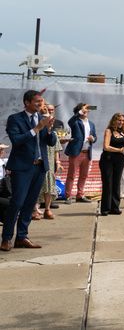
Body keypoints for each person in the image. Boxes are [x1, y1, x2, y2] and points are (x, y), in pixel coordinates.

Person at [2, 90, 57, 251]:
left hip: (39, 167)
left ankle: (22, 237)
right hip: (21, 168)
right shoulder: (15, 119)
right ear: (27, 102)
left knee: (29, 204)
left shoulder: (42, 118)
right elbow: (16, 141)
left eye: (42, 102)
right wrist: (36, 129)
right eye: (37, 102)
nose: (41, 105)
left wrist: (49, 128)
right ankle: (6, 238)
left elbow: (52, 142)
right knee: (17, 202)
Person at [33, 100, 62, 221]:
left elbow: (54, 145)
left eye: (51, 110)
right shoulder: (37, 122)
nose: (49, 112)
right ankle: (34, 209)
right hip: (36, 159)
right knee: (35, 186)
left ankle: (47, 209)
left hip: (48, 160)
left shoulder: (54, 125)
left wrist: (58, 162)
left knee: (49, 185)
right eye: (47, 110)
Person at [63, 102, 97, 203]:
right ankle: (68, 196)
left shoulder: (91, 124)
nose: (86, 111)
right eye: (84, 109)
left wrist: (93, 138)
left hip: (87, 153)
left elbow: (95, 137)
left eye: (87, 109)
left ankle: (80, 195)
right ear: (79, 111)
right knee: (71, 175)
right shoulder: (75, 121)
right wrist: (81, 111)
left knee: (84, 175)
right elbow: (70, 121)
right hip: (76, 152)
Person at [99, 113, 124, 216]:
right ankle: (105, 209)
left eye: (122, 120)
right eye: (119, 120)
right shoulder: (109, 131)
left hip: (120, 160)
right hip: (108, 159)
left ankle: (115, 207)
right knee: (108, 184)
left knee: (116, 183)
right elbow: (106, 147)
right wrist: (119, 150)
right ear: (114, 121)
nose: (121, 122)